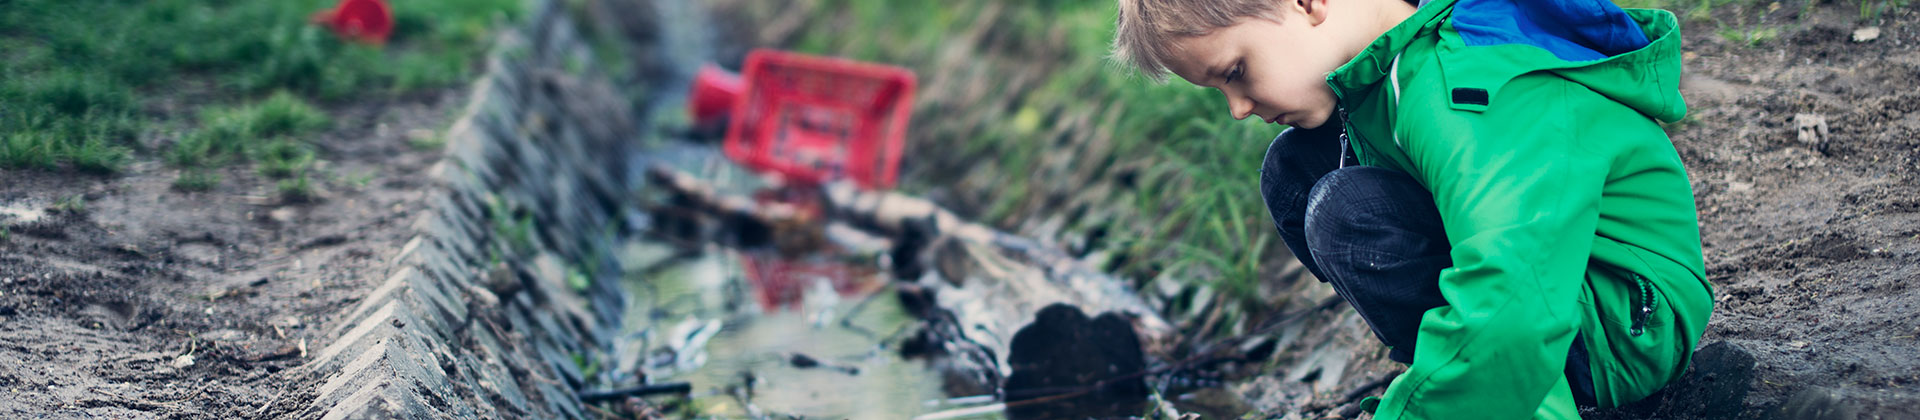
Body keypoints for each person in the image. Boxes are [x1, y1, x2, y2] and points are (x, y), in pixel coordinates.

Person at [1111, 0, 1715, 418]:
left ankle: (1490, 397)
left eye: (1237, 73)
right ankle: (1457, 376)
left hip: (1622, 323)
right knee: (1294, 171)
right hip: (1555, 290)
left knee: (1345, 213)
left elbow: (1514, 299)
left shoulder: (1462, 92)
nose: (1237, 109)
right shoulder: (1386, 66)